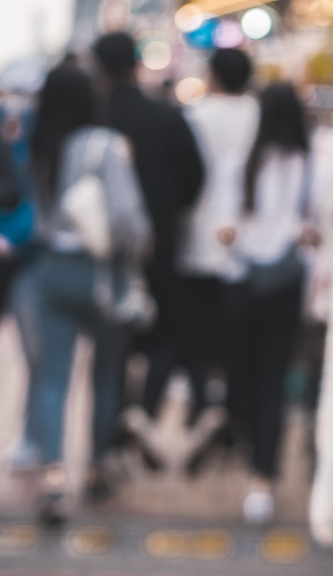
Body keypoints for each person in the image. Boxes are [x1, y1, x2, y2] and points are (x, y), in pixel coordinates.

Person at [11, 64, 151, 524]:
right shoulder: (105, 145)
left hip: (51, 269)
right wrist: (138, 248)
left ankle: (53, 478)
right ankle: (94, 468)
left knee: (53, 377)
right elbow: (128, 217)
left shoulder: (37, 146)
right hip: (101, 273)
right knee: (105, 374)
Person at [92, 32, 205, 463]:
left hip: (105, 252)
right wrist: (168, 212)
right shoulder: (166, 117)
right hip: (161, 247)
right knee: (164, 337)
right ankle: (141, 418)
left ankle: (108, 441)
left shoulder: (97, 120)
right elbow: (196, 177)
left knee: (111, 351)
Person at [220, 83, 312, 524]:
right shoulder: (311, 166)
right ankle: (263, 476)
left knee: (245, 377)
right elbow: (315, 231)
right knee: (272, 380)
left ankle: (254, 460)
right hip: (285, 285)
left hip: (243, 283)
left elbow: (225, 230)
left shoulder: (241, 164)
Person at [167, 48, 257, 453]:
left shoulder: (193, 116)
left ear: (214, 76)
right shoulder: (258, 116)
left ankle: (201, 410)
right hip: (244, 241)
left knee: (197, 337)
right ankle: (233, 420)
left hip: (196, 238)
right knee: (236, 343)